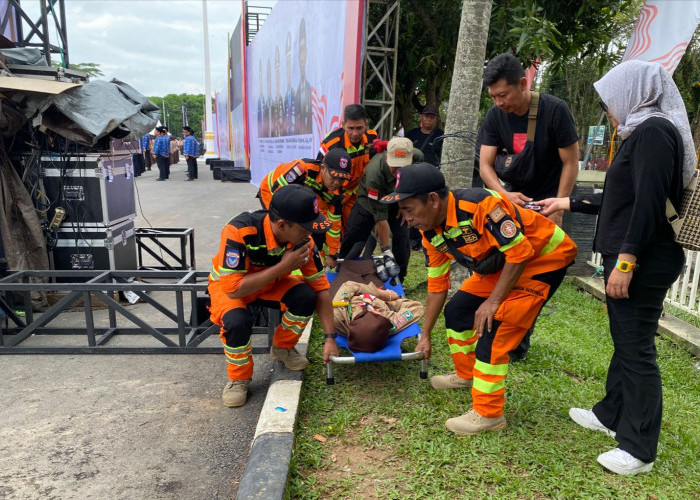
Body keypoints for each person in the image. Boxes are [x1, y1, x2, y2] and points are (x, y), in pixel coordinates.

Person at [536, 60, 693, 475]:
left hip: (644, 260)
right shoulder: (644, 131)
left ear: (634, 92)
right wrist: (565, 202)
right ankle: (610, 414)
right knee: (628, 339)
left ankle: (640, 448)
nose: (609, 109)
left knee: (637, 349)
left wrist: (625, 262)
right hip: (640, 256)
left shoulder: (655, 133)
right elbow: (623, 195)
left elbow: (646, 206)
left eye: (610, 100)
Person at [380, 163, 577, 435]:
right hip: (504, 263)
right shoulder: (431, 233)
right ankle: (466, 373)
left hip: (543, 259)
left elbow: (520, 252)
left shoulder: (481, 205)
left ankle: (489, 414)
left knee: (494, 326)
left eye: (409, 210)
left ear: (434, 200)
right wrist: (424, 334)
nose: (406, 219)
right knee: (458, 312)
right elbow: (438, 286)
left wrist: (494, 302)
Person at [478, 52, 580, 361]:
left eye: (503, 95)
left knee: (539, 275)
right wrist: (504, 195)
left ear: (523, 84)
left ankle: (518, 339)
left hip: (548, 205)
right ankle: (504, 334)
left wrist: (559, 207)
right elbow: (485, 165)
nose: (499, 102)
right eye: (493, 96)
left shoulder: (554, 110)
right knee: (508, 267)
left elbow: (571, 162)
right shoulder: (495, 116)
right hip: (512, 204)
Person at [208, 184, 340, 407]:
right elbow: (234, 287)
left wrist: (330, 337)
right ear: (282, 225)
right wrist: (283, 266)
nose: (310, 233)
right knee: (236, 322)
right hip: (231, 288)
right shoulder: (239, 231)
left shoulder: (302, 241)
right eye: (305, 227)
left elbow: (321, 288)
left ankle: (282, 348)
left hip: (270, 283)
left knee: (307, 296)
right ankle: (239, 378)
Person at [338, 137, 424, 282]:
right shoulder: (375, 174)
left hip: (396, 202)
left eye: (402, 166)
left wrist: (404, 207)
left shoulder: (417, 157)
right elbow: (380, 217)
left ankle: (398, 280)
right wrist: (386, 249)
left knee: (402, 240)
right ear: (387, 157)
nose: (398, 171)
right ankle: (341, 272)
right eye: (394, 166)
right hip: (369, 202)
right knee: (354, 237)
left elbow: (415, 184)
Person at [258, 149, 352, 268]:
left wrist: (333, 254)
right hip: (272, 191)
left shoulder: (338, 193)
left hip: (301, 198)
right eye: (333, 177)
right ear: (323, 168)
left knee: (310, 232)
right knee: (285, 229)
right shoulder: (303, 169)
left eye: (342, 179)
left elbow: (334, 225)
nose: (336, 183)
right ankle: (278, 261)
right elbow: (279, 194)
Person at [317, 104, 379, 226]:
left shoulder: (373, 138)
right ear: (343, 124)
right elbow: (320, 173)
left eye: (359, 128)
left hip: (358, 192)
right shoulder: (331, 144)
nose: (355, 133)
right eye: (350, 128)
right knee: (332, 227)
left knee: (354, 227)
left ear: (366, 124)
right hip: (334, 193)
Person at [296, 18, 312, 134]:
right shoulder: (297, 91)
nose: (302, 57)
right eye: (300, 51)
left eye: (304, 50)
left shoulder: (312, 89)